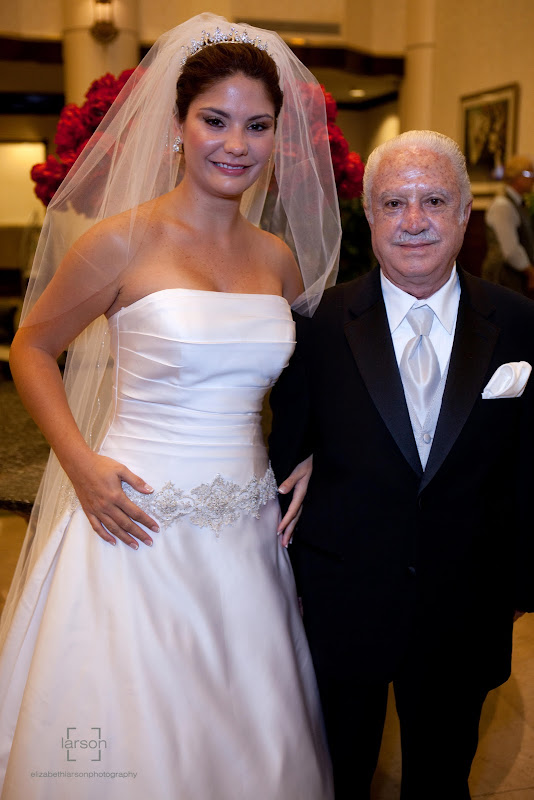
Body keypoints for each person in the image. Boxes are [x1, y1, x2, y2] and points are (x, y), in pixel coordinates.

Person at [0, 14, 341, 800]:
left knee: (246, 726)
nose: (235, 144)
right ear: (177, 126)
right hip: (135, 519)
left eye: (257, 125)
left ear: (277, 137)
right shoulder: (119, 242)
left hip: (246, 529)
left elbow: (307, 380)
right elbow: (31, 348)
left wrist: (315, 450)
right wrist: (81, 465)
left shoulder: (277, 258)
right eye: (214, 120)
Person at [270, 130, 534, 800]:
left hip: (467, 604)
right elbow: (286, 458)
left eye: (434, 201)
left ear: (465, 214)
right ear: (369, 215)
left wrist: (520, 585)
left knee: (442, 780)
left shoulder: (520, 323)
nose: (413, 221)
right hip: (342, 599)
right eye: (393, 203)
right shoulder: (315, 326)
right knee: (339, 776)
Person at [482, 154, 534, 294]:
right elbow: (510, 250)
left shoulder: (517, 203)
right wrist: (530, 272)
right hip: (502, 276)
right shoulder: (502, 205)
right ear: (516, 177)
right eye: (528, 173)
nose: (532, 178)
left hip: (512, 276)